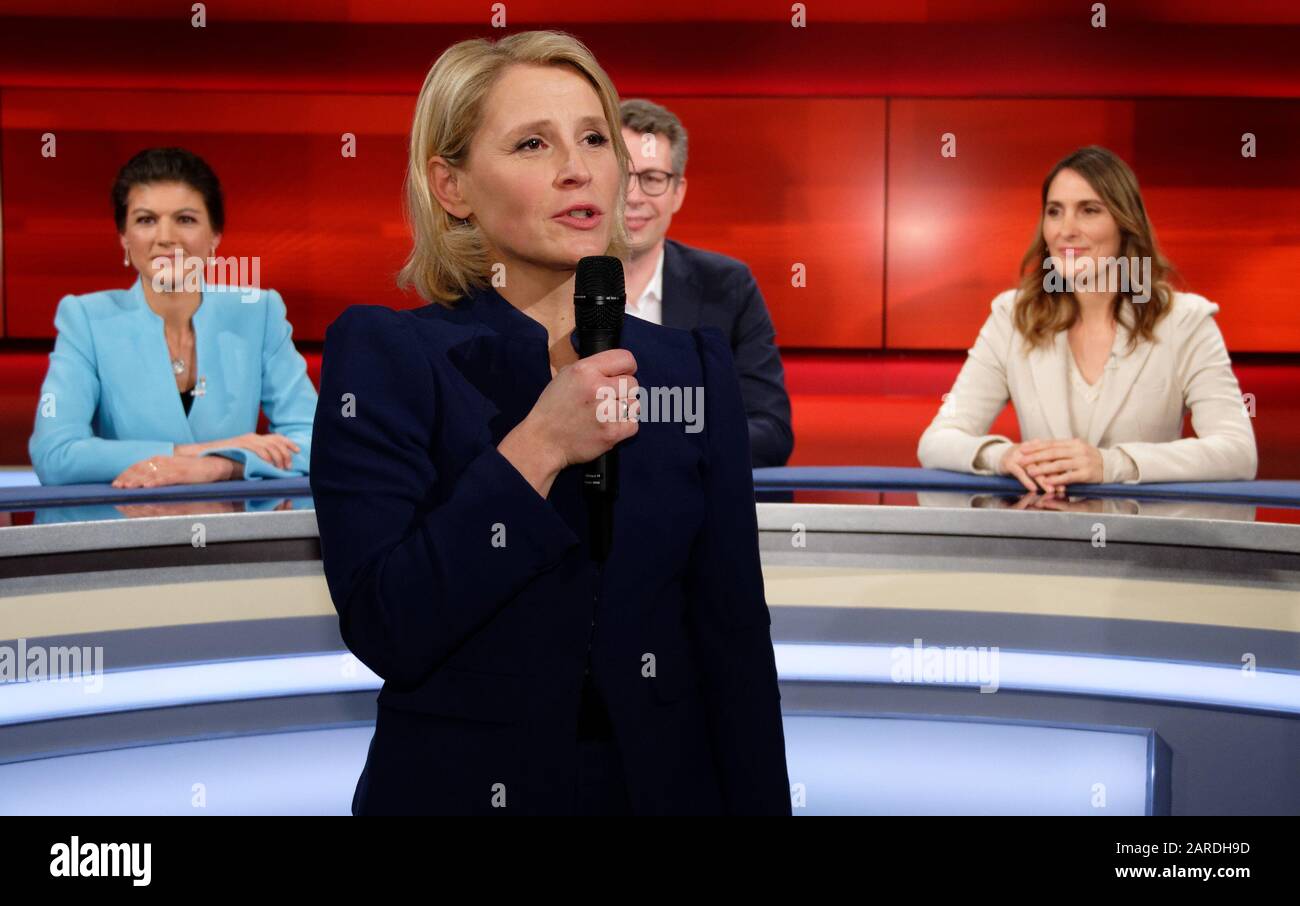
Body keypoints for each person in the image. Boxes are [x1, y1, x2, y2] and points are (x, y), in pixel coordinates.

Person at [309, 30, 789, 815]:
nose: (578, 166)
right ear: (451, 185)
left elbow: (733, 643)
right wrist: (537, 447)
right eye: (533, 142)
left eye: (594, 138)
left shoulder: (693, 367)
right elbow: (387, 625)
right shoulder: (387, 356)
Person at [917, 146, 1257, 491]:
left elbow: (1238, 451)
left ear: (1125, 224)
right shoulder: (1012, 318)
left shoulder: (1185, 321)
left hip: (1146, 538)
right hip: (1049, 536)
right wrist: (1002, 457)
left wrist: (1111, 464)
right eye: (1054, 212)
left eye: (1089, 210)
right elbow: (937, 440)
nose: (1066, 229)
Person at [28, 147, 316, 487]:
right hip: (124, 530)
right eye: (146, 220)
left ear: (215, 237)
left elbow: (316, 441)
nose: (166, 238)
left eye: (186, 219)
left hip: (234, 531)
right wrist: (206, 450)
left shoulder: (258, 311)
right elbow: (55, 455)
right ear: (124, 238)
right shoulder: (86, 320)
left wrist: (221, 467)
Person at [619, 98, 794, 467]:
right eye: (621, 178)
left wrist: (662, 444)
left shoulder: (728, 286)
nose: (633, 197)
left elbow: (772, 431)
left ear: (677, 192)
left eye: (651, 179)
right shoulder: (554, 282)